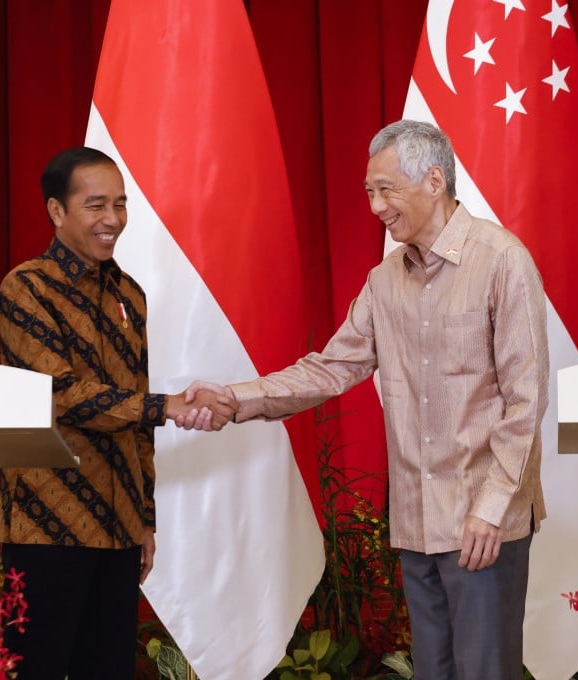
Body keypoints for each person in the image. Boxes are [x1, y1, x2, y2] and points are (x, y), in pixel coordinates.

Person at [184, 120, 549, 679]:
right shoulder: (384, 281)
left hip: (483, 525)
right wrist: (235, 398)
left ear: (433, 181)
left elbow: (525, 400)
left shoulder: (502, 260)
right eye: (369, 192)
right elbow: (330, 369)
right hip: (416, 523)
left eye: (386, 189)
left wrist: (492, 507)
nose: (376, 205)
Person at [0, 146, 235, 679]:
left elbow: (136, 424)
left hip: (120, 527)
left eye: (121, 204)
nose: (113, 220)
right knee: (35, 668)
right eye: (96, 205)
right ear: (57, 212)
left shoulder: (130, 296)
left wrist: (144, 518)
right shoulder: (26, 289)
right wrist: (166, 406)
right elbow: (61, 395)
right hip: (47, 525)